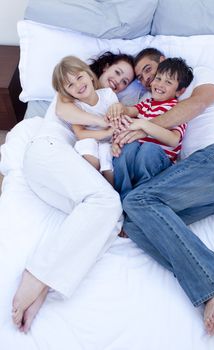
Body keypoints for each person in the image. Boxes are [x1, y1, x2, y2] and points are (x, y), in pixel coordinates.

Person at [112, 48, 214, 335]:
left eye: (150, 70)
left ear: (164, 63)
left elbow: (197, 105)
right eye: (142, 78)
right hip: (199, 188)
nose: (149, 82)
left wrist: (143, 127)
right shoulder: (148, 102)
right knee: (135, 224)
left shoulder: (202, 76)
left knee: (137, 200)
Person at [11, 51, 135, 333]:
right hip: (48, 152)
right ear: (98, 72)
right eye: (115, 74)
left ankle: (45, 284)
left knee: (110, 220)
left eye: (125, 81)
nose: (117, 83)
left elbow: (131, 114)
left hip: (51, 176)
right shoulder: (69, 97)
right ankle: (35, 273)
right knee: (106, 201)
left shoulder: (107, 101)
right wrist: (110, 120)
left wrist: (124, 113)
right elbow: (70, 116)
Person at [109, 57, 193, 199]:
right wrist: (119, 107)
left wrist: (145, 125)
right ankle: (122, 195)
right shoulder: (146, 104)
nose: (160, 84)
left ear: (179, 91)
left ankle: (141, 196)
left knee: (149, 149)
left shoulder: (176, 109)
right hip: (136, 163)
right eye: (158, 78)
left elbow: (173, 140)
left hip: (158, 163)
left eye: (168, 82)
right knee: (128, 147)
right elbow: (129, 111)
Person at [52, 55, 119, 184]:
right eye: (70, 85)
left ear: (89, 74)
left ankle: (109, 190)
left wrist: (111, 137)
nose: (78, 85)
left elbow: (116, 123)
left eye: (79, 77)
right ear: (66, 92)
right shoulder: (75, 107)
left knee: (106, 153)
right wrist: (105, 133)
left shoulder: (108, 95)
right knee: (86, 147)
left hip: (109, 142)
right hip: (90, 140)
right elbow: (80, 133)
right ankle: (91, 184)